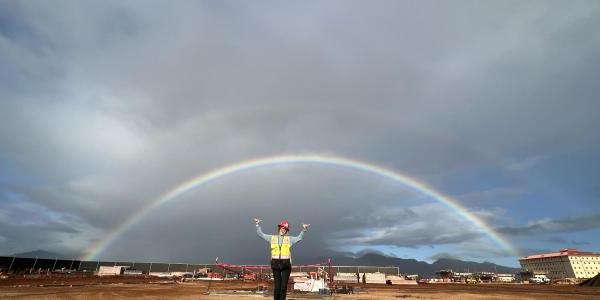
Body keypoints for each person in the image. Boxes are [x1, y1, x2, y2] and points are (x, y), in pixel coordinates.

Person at [254, 218, 309, 300]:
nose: (283, 230)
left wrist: (304, 229)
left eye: (285, 229)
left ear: (287, 230)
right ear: (279, 228)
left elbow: (299, 238)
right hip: (275, 264)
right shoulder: (272, 238)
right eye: (282, 228)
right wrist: (257, 225)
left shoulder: (289, 239)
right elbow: (261, 234)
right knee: (277, 286)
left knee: (283, 286)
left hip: (286, 265)